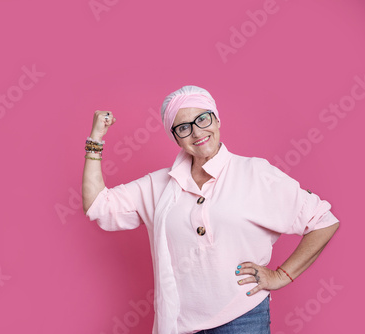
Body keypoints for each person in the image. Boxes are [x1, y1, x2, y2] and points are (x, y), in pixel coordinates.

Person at [82, 85, 339, 334]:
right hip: (180, 324)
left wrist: (282, 275)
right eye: (184, 127)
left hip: (243, 319)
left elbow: (323, 221)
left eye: (203, 119)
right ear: (175, 137)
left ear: (217, 120)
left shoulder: (255, 173)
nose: (196, 132)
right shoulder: (159, 185)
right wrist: (96, 140)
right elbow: (97, 205)